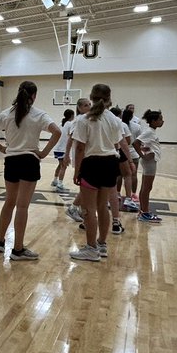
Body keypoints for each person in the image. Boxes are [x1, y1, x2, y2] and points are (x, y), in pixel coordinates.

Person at [0, 80, 61, 260]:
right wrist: (43, 152)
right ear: (34, 95)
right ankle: (17, 249)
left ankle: (0, 241)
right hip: (29, 161)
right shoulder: (39, 114)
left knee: (9, 202)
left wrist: (1, 148)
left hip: (11, 161)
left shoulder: (7, 113)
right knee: (22, 206)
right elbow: (57, 132)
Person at [69, 84, 130, 262]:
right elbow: (119, 143)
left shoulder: (83, 119)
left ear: (91, 97)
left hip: (92, 164)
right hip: (111, 163)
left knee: (88, 209)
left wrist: (77, 171)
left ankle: (91, 248)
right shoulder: (115, 120)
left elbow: (80, 148)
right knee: (103, 207)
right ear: (109, 98)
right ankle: (102, 244)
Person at [133, 109, 164, 223]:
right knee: (147, 188)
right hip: (149, 162)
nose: (162, 121)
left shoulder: (151, 132)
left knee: (145, 187)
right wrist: (142, 155)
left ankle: (142, 211)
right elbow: (135, 143)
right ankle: (145, 213)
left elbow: (142, 144)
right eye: (160, 119)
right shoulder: (149, 132)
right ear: (153, 121)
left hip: (150, 160)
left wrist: (143, 149)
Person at [50, 108, 76, 193]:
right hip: (62, 149)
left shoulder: (61, 123)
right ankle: (60, 184)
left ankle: (55, 180)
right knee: (63, 166)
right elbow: (71, 136)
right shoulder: (70, 124)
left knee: (60, 164)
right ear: (72, 116)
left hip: (57, 148)